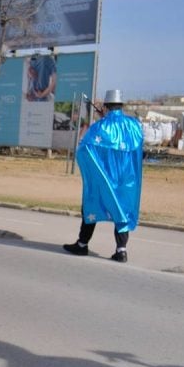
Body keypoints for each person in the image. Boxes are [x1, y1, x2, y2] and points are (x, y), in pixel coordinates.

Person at [63, 89, 143, 263]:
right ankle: (121, 250)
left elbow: (84, 148)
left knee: (92, 204)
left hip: (104, 177)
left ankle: (82, 245)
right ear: (121, 105)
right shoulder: (134, 125)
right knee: (121, 211)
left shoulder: (99, 127)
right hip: (126, 178)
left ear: (106, 106)